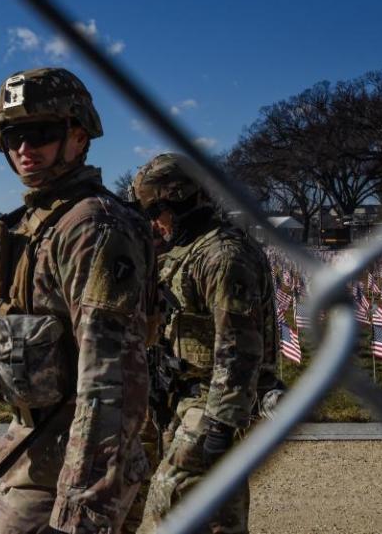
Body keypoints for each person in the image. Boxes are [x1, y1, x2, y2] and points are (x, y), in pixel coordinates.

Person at [0, 67, 157, 534]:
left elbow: (112, 381)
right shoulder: (40, 221)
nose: (24, 148)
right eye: (12, 135)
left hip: (74, 460)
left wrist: (80, 510)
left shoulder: (92, 227)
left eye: (40, 132)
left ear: (79, 136)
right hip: (39, 445)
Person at [123, 153, 280, 534]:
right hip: (175, 390)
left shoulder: (223, 255)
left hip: (213, 396)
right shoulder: (182, 250)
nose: (153, 224)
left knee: (174, 496)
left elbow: (239, 346)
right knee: (130, 482)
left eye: (154, 212)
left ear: (175, 203)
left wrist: (222, 423)